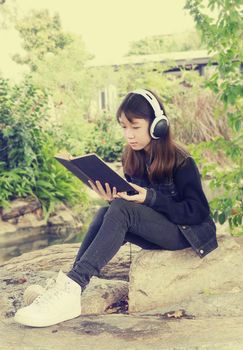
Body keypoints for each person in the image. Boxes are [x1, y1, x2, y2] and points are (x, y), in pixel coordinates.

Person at [14, 88, 218, 328]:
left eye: (135, 127)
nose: (129, 135)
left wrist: (150, 198)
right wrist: (113, 198)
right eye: (124, 127)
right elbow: (134, 210)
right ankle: (69, 287)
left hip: (185, 234)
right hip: (159, 230)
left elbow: (198, 212)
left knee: (122, 209)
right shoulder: (133, 156)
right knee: (107, 212)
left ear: (157, 126)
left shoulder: (181, 160)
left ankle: (72, 287)